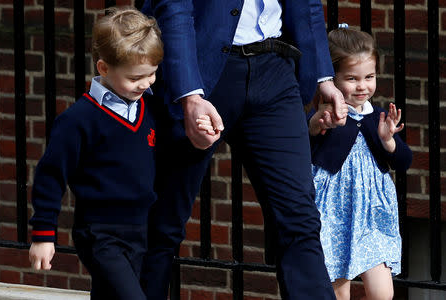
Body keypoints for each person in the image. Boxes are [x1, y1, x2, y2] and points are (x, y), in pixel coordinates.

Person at [141, 1, 348, 299]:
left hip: (275, 72)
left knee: (299, 218)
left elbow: (308, 5)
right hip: (203, 72)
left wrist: (322, 77)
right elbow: (175, 6)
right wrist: (188, 94)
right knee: (164, 220)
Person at [28, 7, 166, 300]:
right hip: (100, 234)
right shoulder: (78, 120)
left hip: (140, 231)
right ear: (104, 69)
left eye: (152, 74)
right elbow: (50, 176)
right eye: (135, 77)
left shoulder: (149, 109)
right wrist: (43, 234)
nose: (145, 83)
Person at [308, 27, 412, 300]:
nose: (362, 86)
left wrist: (388, 141)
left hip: (372, 213)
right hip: (333, 212)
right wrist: (316, 125)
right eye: (352, 78)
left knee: (382, 294)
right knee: (337, 294)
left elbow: (404, 161)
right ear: (332, 79)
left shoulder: (378, 117)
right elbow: (306, 152)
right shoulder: (324, 116)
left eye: (369, 76)